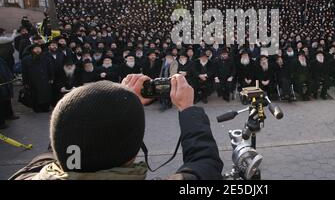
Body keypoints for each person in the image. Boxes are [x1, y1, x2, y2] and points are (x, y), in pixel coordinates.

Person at [10, 74, 224, 180]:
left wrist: (118, 101)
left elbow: (66, 131)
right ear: (131, 155)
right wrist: (187, 108)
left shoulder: (28, 175)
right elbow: (205, 163)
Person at [21, 44, 54, 113]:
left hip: (45, 80)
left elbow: (50, 68)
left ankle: (45, 107)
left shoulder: (45, 58)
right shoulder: (26, 59)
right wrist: (25, 83)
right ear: (32, 50)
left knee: (46, 94)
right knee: (35, 95)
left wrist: (51, 78)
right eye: (36, 49)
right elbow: (24, 72)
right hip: (33, 81)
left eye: (39, 48)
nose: (38, 50)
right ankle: (37, 108)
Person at [0, 57, 19, 129]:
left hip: (5, 83)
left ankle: (9, 114)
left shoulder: (1, 59)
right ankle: (1, 123)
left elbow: (6, 68)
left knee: (7, 100)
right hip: (1, 84)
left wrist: (10, 76)